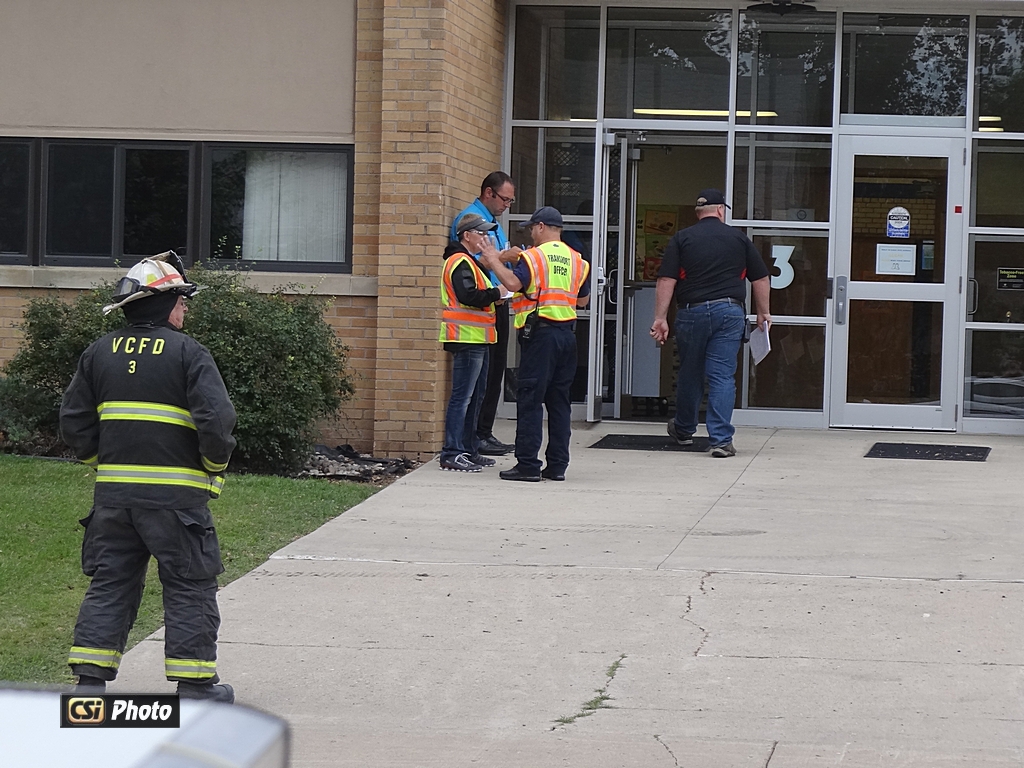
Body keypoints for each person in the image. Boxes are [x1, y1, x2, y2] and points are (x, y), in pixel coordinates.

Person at [59, 252, 237, 702]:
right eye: (180, 301)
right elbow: (217, 423)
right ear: (163, 305)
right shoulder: (188, 353)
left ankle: (89, 687)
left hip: (113, 502)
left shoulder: (98, 353)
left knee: (111, 582)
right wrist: (214, 469)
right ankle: (195, 687)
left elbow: (74, 423)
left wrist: (102, 464)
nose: (184, 309)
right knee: (190, 585)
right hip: (177, 505)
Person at [651, 189, 772, 458]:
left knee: (690, 372)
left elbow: (666, 279)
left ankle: (684, 429)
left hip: (692, 312)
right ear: (720, 210)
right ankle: (721, 440)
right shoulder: (738, 238)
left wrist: (660, 318)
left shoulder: (682, 238)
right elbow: (761, 278)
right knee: (722, 376)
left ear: (698, 213)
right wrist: (763, 312)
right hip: (729, 312)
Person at [480, 206, 590, 482]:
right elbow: (583, 300)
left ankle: (528, 465)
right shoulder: (577, 259)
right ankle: (557, 466)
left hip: (541, 336)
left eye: (531, 228)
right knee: (559, 403)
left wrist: (493, 259)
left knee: (530, 399)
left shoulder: (534, 257)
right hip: (567, 336)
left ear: (541, 227)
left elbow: (513, 284)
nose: (530, 233)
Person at [450, 171, 522, 456]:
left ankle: (483, 433)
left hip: (496, 304)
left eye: (511, 201)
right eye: (505, 199)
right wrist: (502, 258)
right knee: (477, 382)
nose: (507, 205)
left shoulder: (492, 224)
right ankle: (471, 439)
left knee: (493, 375)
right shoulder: (470, 221)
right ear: (489, 193)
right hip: (480, 311)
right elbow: (469, 261)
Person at [439, 213, 504, 472]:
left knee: (475, 397)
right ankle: (452, 452)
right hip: (466, 338)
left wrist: (494, 295)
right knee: (462, 398)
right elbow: (468, 295)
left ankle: (468, 449)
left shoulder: (470, 262)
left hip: (477, 338)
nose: (485, 238)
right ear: (466, 235)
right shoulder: (459, 261)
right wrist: (496, 293)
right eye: (481, 233)